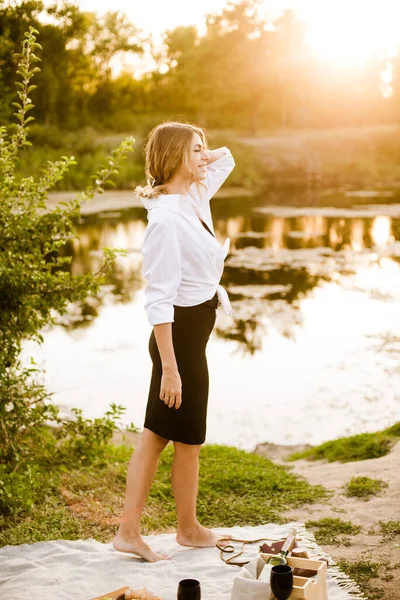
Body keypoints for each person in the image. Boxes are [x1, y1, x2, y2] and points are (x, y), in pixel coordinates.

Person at [112, 121, 235, 562]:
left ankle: (186, 527)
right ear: (175, 157)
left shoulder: (193, 198)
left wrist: (198, 151)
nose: (206, 156)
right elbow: (159, 301)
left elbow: (229, 159)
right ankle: (136, 531)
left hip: (193, 333)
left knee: (178, 438)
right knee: (161, 437)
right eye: (195, 150)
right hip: (177, 340)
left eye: (204, 148)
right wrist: (170, 368)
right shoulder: (164, 219)